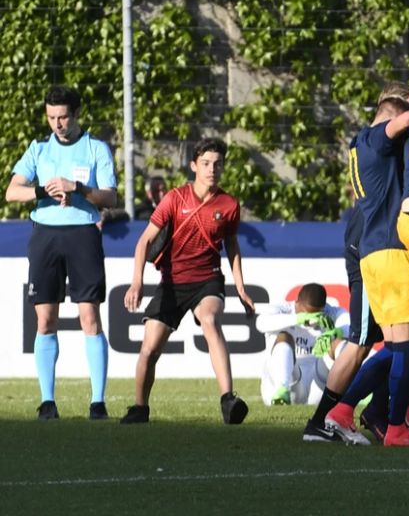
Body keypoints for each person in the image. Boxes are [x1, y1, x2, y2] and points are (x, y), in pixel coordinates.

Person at [325, 97, 409, 446]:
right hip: (388, 248)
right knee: (401, 343)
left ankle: (346, 410)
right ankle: (392, 426)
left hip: (388, 249)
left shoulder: (364, 147)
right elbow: (407, 119)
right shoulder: (373, 139)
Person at [121, 137, 255, 424]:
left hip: (208, 280)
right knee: (149, 348)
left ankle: (228, 400)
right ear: (194, 165)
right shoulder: (175, 198)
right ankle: (140, 409)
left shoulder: (229, 204)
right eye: (206, 163)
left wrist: (240, 287)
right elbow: (144, 241)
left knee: (210, 319)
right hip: (171, 282)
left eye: (217, 164)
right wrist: (136, 282)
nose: (212, 169)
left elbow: (231, 246)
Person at [5, 86, 117, 420]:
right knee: (45, 319)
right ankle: (47, 401)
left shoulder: (96, 148)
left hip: (83, 234)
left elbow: (110, 197)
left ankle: (97, 402)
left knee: (90, 318)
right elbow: (12, 191)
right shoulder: (38, 150)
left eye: (64, 116)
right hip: (45, 237)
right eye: (52, 117)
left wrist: (78, 189)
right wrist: (43, 190)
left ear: (76, 114)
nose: (58, 123)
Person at [302, 203, 385, 441]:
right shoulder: (381, 172)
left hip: (374, 242)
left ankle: (388, 413)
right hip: (370, 248)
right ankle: (324, 419)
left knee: (399, 339)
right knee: (361, 341)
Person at [256, 283, 351, 406]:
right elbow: (260, 323)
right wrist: (299, 319)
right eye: (308, 313)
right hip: (285, 385)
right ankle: (282, 391)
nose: (311, 321)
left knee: (338, 342)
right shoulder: (282, 309)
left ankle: (353, 390)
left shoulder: (330, 313)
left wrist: (335, 332)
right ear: (297, 302)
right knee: (284, 336)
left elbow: (350, 326)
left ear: (324, 308)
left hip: (318, 385)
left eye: (316, 314)